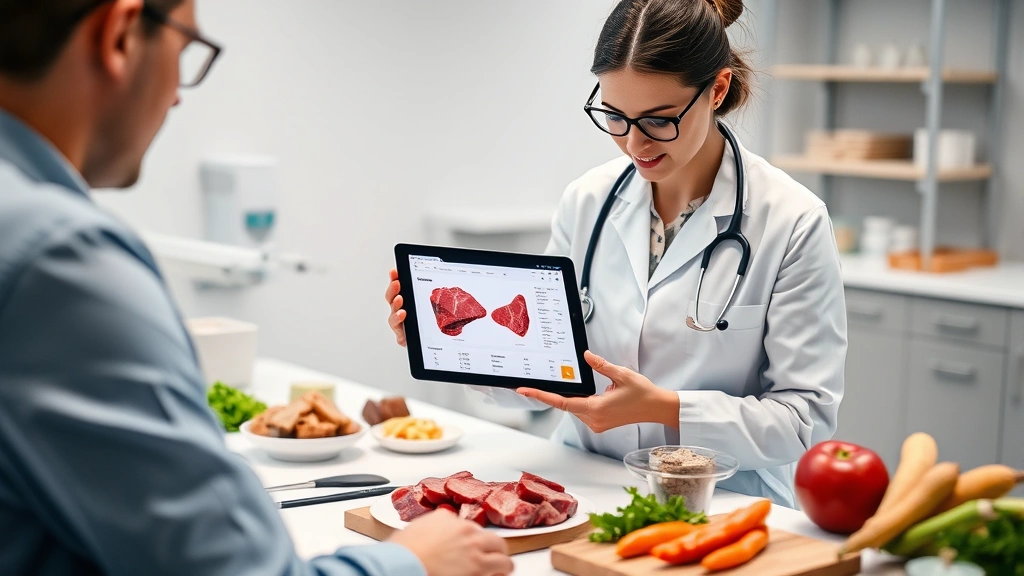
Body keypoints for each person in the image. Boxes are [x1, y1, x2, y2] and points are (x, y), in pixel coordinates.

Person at [0, 1, 514, 575]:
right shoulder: (58, 259)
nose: (175, 95)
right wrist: (411, 563)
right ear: (119, 35)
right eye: (185, 51)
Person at [386, 0, 846, 508]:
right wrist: (451, 347)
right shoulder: (589, 200)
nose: (633, 143)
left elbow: (806, 420)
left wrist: (666, 409)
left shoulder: (791, 220)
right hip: (581, 483)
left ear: (717, 90)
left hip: (719, 501)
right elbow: (542, 365)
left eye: (658, 120)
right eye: (615, 116)